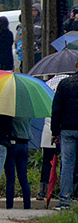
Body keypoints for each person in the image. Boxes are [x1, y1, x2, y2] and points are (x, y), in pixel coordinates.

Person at [50, 64, 78, 210]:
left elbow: (56, 108)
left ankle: (65, 199)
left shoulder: (65, 84)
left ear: (76, 66)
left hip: (67, 129)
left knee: (67, 164)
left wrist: (55, 132)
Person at [5, 116, 32, 209]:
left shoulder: (11, 112)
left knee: (10, 177)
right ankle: (27, 205)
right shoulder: (27, 113)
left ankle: (9, 205)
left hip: (12, 144)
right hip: (24, 144)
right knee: (23, 176)